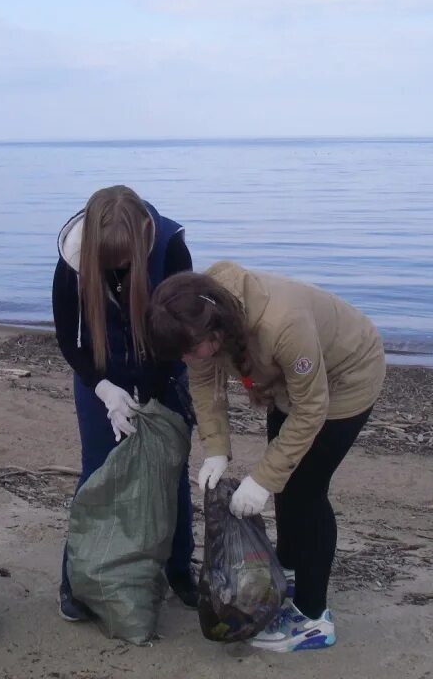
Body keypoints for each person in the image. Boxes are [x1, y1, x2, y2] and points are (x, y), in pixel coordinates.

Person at [147, 260, 385, 652]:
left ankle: (313, 618)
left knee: (306, 491)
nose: (186, 359)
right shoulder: (194, 313)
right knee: (284, 485)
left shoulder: (282, 325)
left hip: (346, 379)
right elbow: (205, 380)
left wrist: (261, 478)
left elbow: (312, 408)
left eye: (189, 350)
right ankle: (287, 571)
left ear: (216, 327)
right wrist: (217, 449)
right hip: (287, 386)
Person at [52, 185, 198, 621]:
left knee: (170, 470)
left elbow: (177, 337)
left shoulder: (171, 249)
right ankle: (75, 579)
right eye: (108, 260)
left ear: (144, 233)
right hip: (100, 374)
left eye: (124, 259)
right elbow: (66, 335)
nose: (117, 267)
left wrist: (150, 399)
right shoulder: (73, 254)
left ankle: (178, 568)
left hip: (164, 370)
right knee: (97, 472)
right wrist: (103, 389)